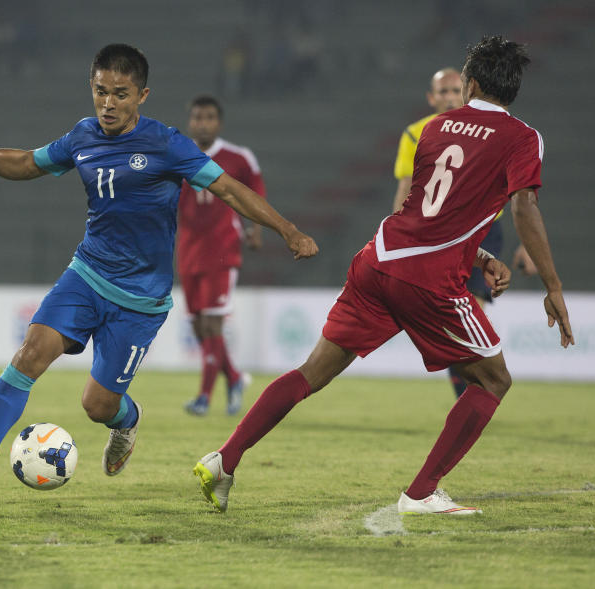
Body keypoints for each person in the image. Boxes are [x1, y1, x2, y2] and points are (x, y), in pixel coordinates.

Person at [194, 36, 574, 515]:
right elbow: (523, 205)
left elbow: (424, 210)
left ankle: (224, 461)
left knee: (310, 373)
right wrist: (553, 286)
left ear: (471, 83)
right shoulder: (522, 137)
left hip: (378, 260)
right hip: (429, 279)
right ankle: (420, 493)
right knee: (493, 380)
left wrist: (477, 258)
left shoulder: (434, 128)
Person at [0, 44, 317, 502]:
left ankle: (127, 422)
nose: (108, 104)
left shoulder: (166, 143)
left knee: (97, 405)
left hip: (140, 299)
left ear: (142, 95)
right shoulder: (82, 137)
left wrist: (288, 230)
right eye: (101, 92)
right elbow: (28, 163)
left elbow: (228, 189)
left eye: (120, 94)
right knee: (30, 353)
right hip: (87, 272)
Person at [392, 68, 536, 398]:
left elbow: (517, 193)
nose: (448, 97)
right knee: (445, 317)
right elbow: (405, 187)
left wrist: (528, 245)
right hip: (431, 235)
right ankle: (469, 389)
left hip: (482, 234)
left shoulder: (490, 132)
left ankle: (470, 393)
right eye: (441, 91)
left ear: (467, 93)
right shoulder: (415, 134)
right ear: (430, 98)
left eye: (454, 90)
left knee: (467, 309)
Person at [178, 95, 265, 416]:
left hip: (222, 250)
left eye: (209, 117)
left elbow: (255, 192)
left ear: (219, 122)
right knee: (200, 327)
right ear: (190, 121)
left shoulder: (238, 157)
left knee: (213, 324)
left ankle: (203, 397)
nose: (203, 123)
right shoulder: (177, 155)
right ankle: (235, 378)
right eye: (197, 117)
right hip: (188, 252)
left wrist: (255, 228)